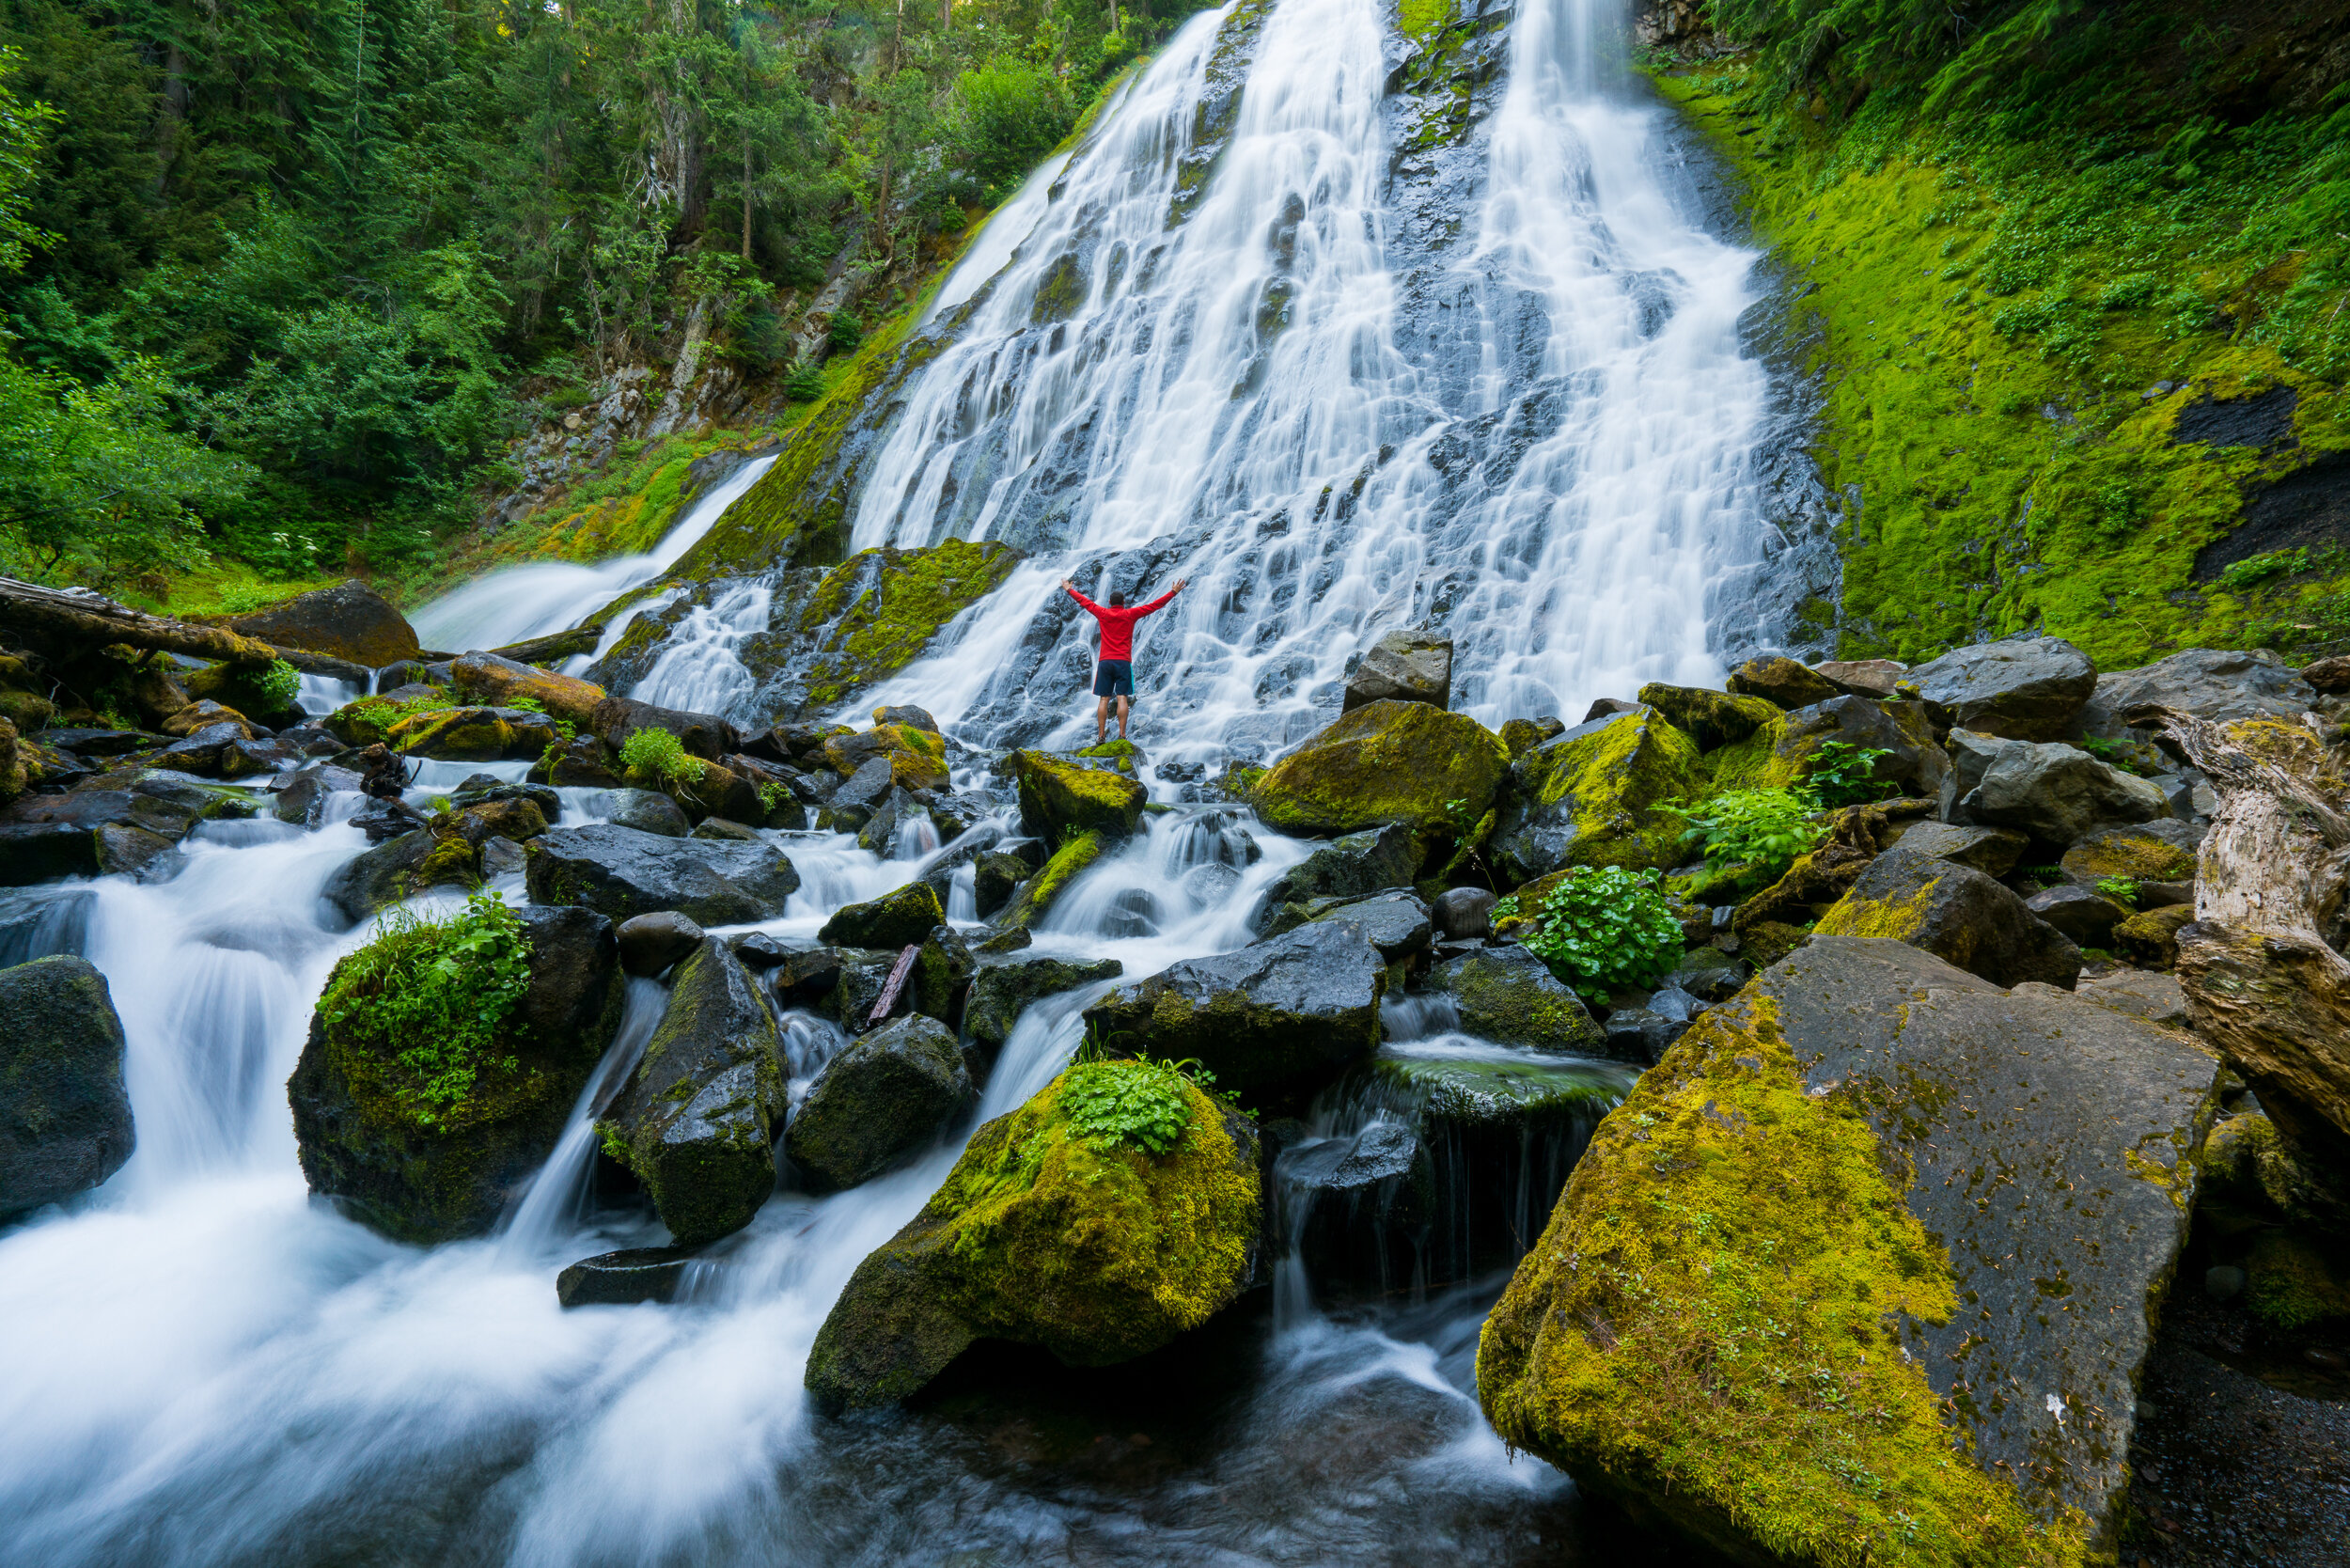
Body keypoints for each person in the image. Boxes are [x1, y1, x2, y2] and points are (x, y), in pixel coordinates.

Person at [1061, 575, 1186, 744]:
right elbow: (1154, 606)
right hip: (1123, 662)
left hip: (1105, 662)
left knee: (1104, 699)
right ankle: (1122, 735)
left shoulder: (1102, 613)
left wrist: (1069, 589)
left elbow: (1085, 602)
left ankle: (1101, 736)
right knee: (1122, 697)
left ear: (1110, 602)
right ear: (1123, 602)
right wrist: (1173, 592)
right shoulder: (1130, 614)